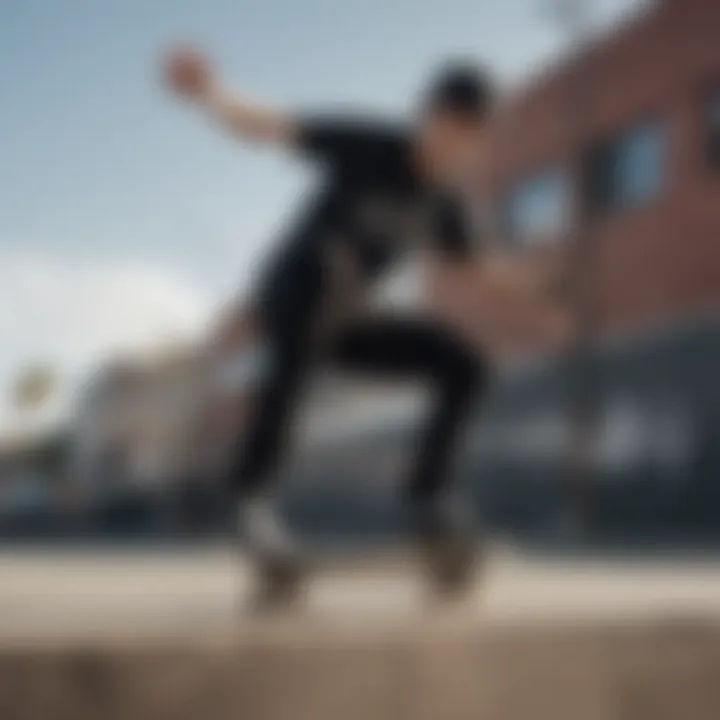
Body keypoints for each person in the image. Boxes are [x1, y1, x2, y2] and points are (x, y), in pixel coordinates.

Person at [164, 47, 568, 606]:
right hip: (293, 290)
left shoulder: (445, 205)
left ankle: (430, 501)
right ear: (426, 116)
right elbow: (271, 125)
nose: (450, 142)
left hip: (349, 317)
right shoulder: (371, 146)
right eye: (444, 124)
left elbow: (477, 268)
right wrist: (212, 93)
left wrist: (543, 289)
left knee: (465, 364)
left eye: (467, 134)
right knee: (323, 287)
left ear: (478, 142)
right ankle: (251, 498)